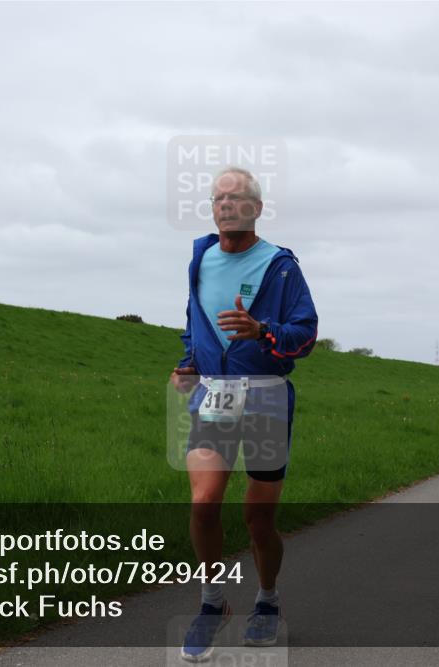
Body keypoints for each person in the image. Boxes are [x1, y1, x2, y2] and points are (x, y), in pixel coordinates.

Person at [170, 167, 318, 661]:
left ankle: (267, 600)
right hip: (214, 396)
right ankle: (213, 605)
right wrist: (189, 360)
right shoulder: (201, 258)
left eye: (236, 199)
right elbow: (195, 318)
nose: (225, 206)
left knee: (258, 519)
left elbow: (307, 334)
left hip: (266, 396)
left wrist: (262, 331)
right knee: (204, 502)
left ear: (256, 208)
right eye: (218, 199)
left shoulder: (280, 266)